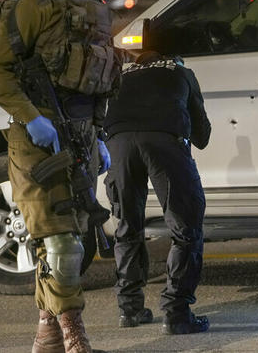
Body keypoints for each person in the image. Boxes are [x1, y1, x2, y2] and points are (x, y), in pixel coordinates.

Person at [0, 0, 120, 353]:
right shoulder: (36, 5)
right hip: (38, 140)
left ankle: (47, 332)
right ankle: (75, 338)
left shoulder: (97, 7)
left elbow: (100, 79)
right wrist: (29, 117)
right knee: (59, 244)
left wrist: (98, 133)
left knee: (76, 240)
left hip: (79, 138)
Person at [102, 50, 212, 335]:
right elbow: (202, 136)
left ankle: (130, 309)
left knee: (127, 226)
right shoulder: (181, 72)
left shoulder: (122, 74)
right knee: (185, 227)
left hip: (119, 143)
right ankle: (176, 313)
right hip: (164, 141)